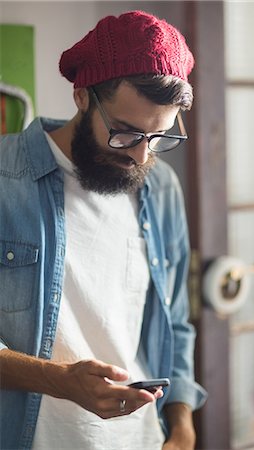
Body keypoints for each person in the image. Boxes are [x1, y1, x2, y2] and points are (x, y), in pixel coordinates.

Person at [0, 10, 207, 450]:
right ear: (81, 97)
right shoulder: (4, 178)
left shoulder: (162, 186)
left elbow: (173, 320)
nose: (140, 157)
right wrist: (59, 381)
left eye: (160, 137)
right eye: (125, 133)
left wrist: (183, 423)